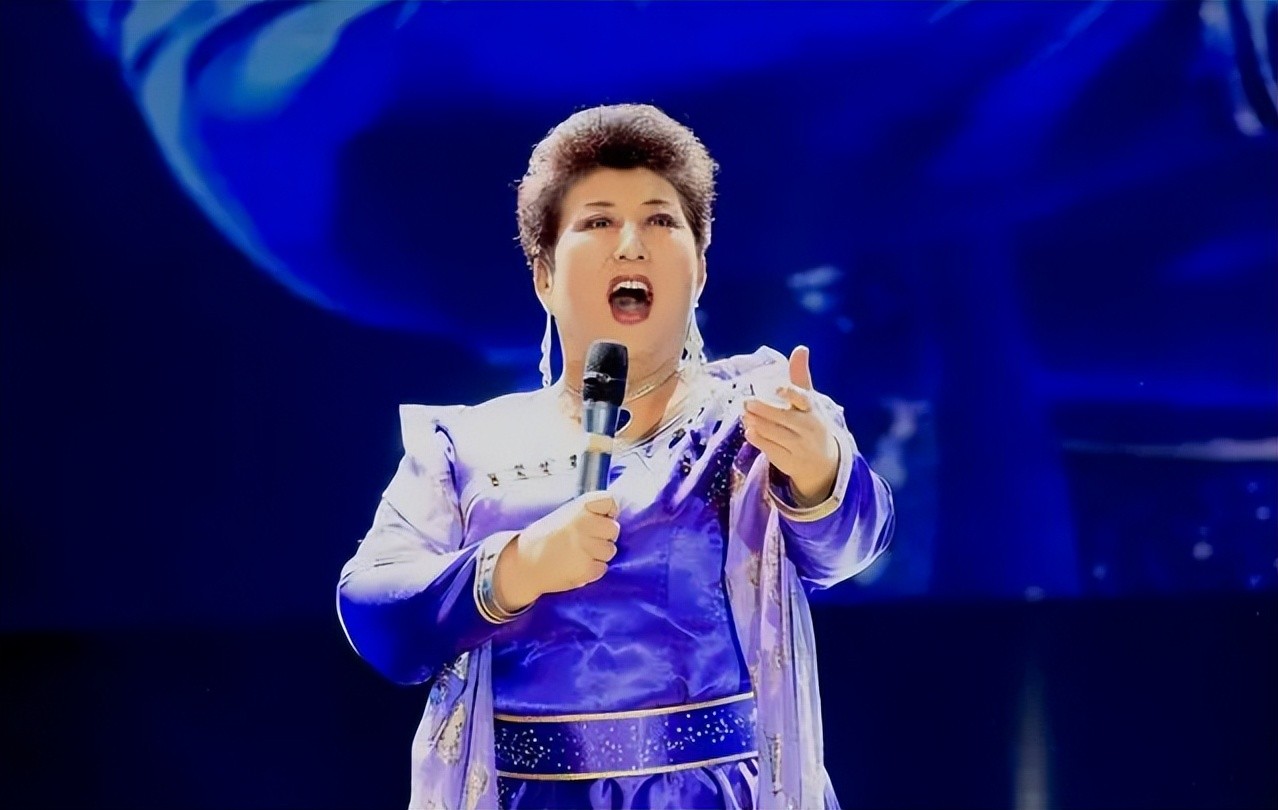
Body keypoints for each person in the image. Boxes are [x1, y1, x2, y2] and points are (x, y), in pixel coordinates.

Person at [336, 103, 895, 810]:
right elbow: (378, 616)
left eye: (661, 221)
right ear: (544, 276)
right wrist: (519, 567)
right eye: (598, 222)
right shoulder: (466, 446)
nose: (631, 244)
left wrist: (818, 473)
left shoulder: (754, 413)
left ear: (699, 271)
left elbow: (853, 547)